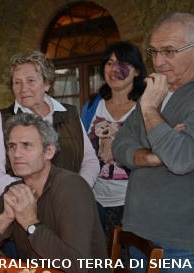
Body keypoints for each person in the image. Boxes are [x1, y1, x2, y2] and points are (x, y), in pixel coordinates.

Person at [0, 113, 109, 273]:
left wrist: (30, 223)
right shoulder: (15, 190)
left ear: (49, 151)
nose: (17, 154)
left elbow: (77, 265)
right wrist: (5, 219)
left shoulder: (71, 186)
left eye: (26, 145)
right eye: (12, 146)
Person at [112, 13, 194, 273]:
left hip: (179, 242)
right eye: (154, 52)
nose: (158, 62)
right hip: (138, 230)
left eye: (169, 51)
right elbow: (120, 143)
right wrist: (153, 156)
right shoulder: (158, 90)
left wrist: (148, 108)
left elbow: (180, 160)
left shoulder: (152, 97)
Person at [0, 50, 99, 198]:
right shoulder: (1, 120)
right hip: (26, 206)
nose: (23, 88)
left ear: (47, 84)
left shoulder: (70, 114)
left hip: (72, 200)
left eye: (31, 80)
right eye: (17, 82)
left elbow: (89, 160)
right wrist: (34, 193)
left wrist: (77, 188)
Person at [81, 41, 146, 239]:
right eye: (109, 63)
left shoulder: (146, 106)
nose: (114, 68)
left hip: (134, 202)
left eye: (123, 62)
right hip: (95, 200)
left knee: (129, 265)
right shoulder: (93, 105)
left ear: (136, 71)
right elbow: (83, 149)